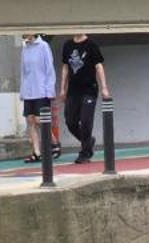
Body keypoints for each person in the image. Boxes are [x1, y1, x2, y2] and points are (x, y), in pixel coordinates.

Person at [61, 34, 110, 163]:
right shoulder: (67, 45)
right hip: (73, 90)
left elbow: (99, 66)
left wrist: (104, 87)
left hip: (89, 89)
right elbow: (65, 67)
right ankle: (88, 140)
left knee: (86, 120)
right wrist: (62, 88)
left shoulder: (91, 45)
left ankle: (85, 152)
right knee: (70, 122)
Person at [18, 34, 57, 163]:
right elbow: (23, 71)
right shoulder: (25, 48)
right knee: (30, 120)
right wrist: (22, 91)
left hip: (41, 89)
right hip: (29, 90)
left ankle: (54, 143)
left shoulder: (43, 46)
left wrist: (50, 89)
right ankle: (36, 152)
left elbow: (49, 69)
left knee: (40, 120)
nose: (24, 35)